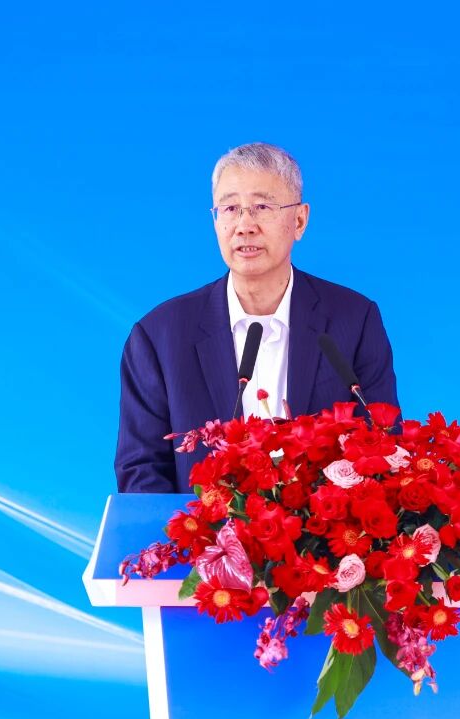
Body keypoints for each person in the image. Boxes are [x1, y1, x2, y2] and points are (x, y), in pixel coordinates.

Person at [115, 142, 399, 493]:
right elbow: (141, 472)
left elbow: (384, 445)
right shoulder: (159, 336)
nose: (244, 225)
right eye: (230, 208)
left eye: (262, 207)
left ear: (299, 220)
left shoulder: (353, 321)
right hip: (203, 529)